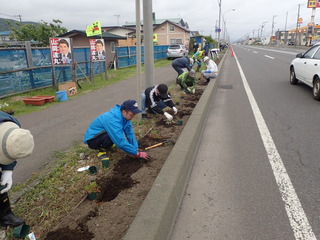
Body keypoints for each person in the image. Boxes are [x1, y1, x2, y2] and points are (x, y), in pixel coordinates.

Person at [0, 111, 34, 227]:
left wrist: (7, 170)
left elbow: (7, 147)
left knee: (1, 186)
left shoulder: (12, 124)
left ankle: (5, 216)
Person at [84, 100, 148, 161]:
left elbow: (130, 133)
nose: (133, 117)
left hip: (103, 134)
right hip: (93, 140)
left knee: (116, 136)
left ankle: (108, 144)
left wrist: (135, 148)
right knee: (114, 136)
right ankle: (102, 149)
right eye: (131, 115)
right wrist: (137, 153)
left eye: (134, 115)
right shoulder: (113, 120)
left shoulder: (125, 117)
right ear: (124, 112)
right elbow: (120, 142)